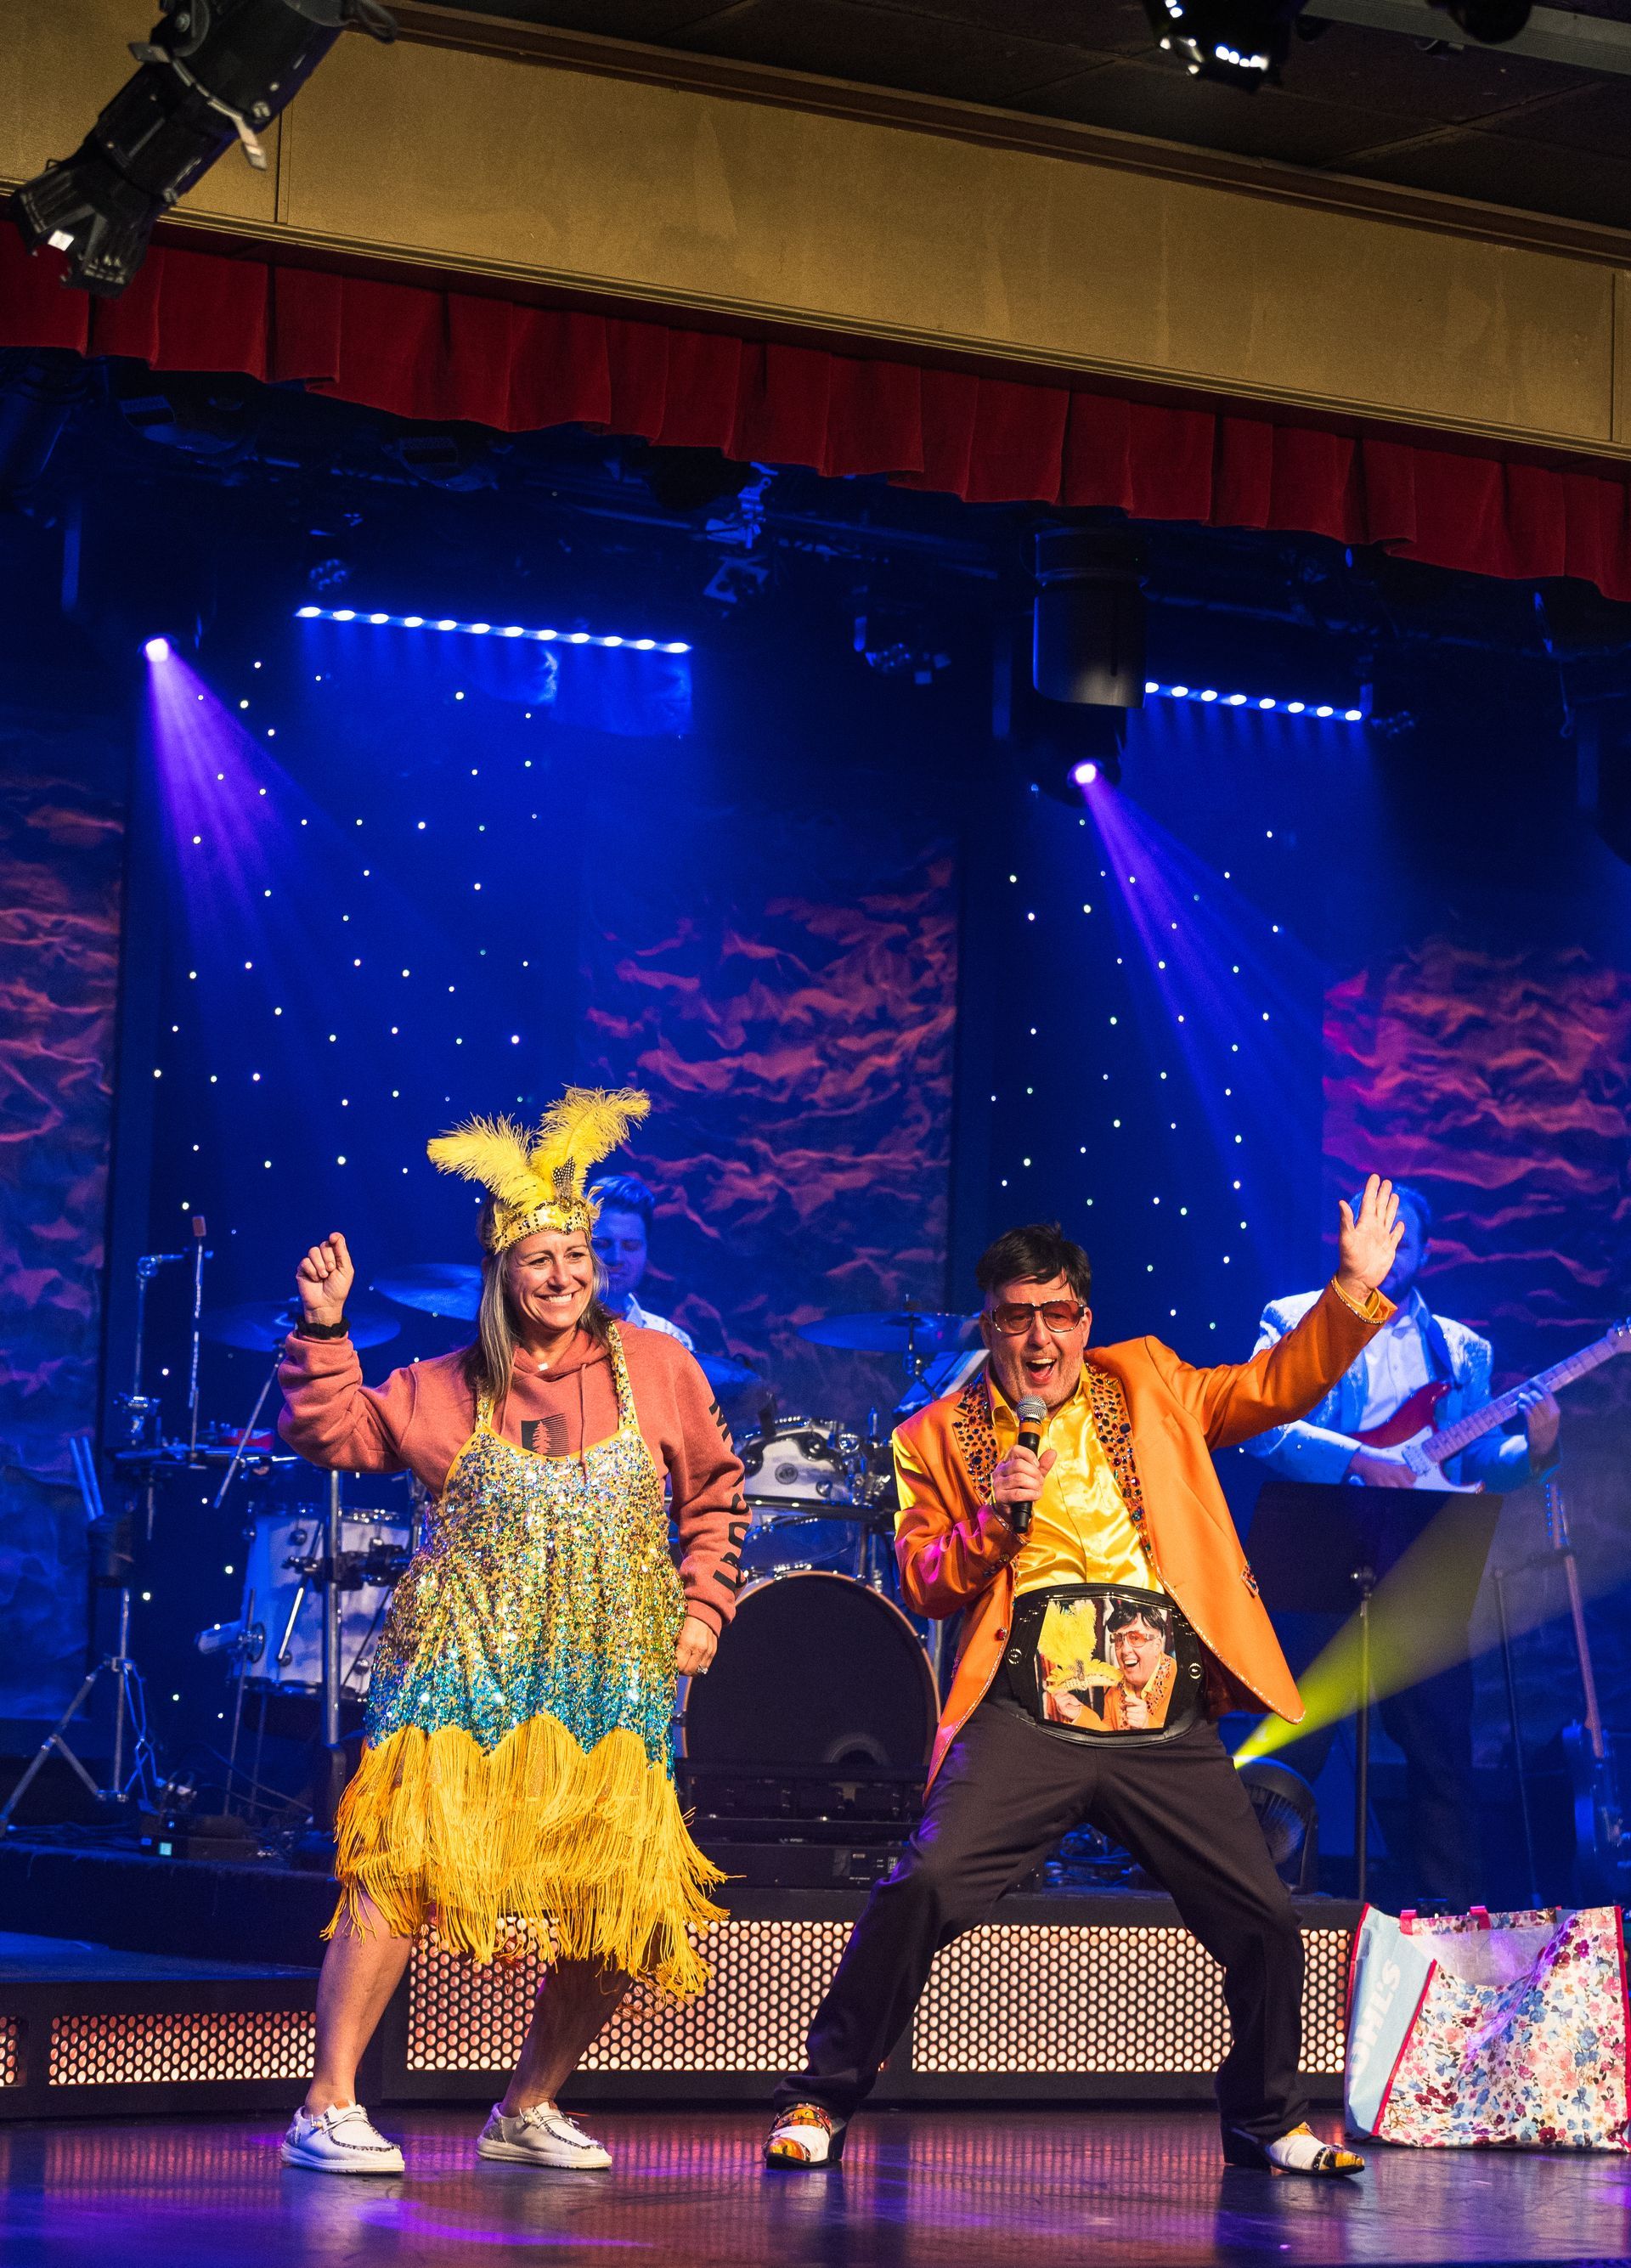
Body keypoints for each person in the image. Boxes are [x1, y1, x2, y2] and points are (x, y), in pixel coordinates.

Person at [765, 1178, 1404, 2179]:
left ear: (1083, 1320)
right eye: (1016, 1317)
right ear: (989, 1325)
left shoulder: (1148, 1382)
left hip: (1161, 1714)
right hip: (1030, 1708)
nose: (1039, 1338)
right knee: (925, 1883)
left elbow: (1271, 1389)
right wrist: (992, 1520)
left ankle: (1267, 2117)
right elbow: (926, 1582)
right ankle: (822, 2096)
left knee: (1264, 1916)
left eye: (1057, 1315)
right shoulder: (935, 1436)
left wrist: (1351, 1293)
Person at [276, 1089, 745, 2177]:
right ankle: (327, 2104)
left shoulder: (660, 1370)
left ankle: (527, 2107)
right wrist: (326, 1329)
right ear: (503, 1270)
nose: (564, 1275)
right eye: (541, 1258)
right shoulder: (444, 1386)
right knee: (398, 1868)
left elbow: (719, 1494)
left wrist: (703, 1607)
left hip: (609, 1676)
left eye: (577, 1256)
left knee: (616, 1898)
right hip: (460, 1666)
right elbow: (331, 1430)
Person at [1244, 1181, 1560, 1904]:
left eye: (1402, 1242)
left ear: (1426, 1252)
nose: (1389, 1256)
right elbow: (1261, 1422)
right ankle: (1252, 1908)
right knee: (1290, 1744)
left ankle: (1447, 1926)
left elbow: (1478, 1462)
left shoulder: (1463, 1349)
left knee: (1442, 1752)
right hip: (1322, 1550)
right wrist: (1358, 1459)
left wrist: (1537, 1451)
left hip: (1422, 1561)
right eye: (1376, 1240)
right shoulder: (1293, 1319)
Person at [589, 1171, 694, 1350]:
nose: (616, 1259)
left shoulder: (673, 1341)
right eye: (602, 1244)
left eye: (630, 1246)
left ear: (646, 1249)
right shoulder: (551, 1334)